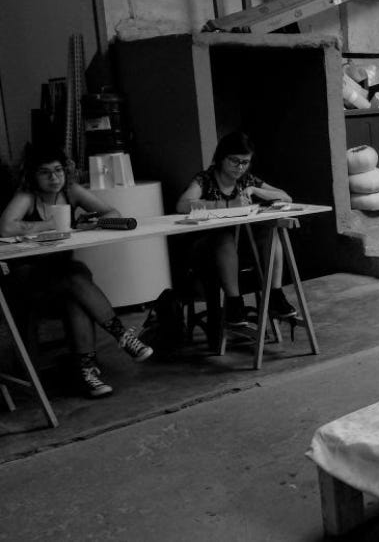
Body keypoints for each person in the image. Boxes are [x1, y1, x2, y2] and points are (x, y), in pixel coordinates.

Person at [0, 147, 153, 398]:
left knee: (75, 289)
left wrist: (93, 222)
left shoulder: (70, 191)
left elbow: (113, 213)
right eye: (45, 173)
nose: (54, 178)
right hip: (29, 281)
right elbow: (6, 228)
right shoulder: (28, 195)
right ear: (33, 176)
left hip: (62, 278)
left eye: (58, 170)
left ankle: (86, 373)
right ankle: (121, 336)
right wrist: (52, 224)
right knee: (75, 275)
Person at [176, 131, 296, 326]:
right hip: (208, 248)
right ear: (222, 157)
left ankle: (275, 295)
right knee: (223, 238)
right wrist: (228, 205)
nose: (240, 167)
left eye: (245, 162)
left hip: (241, 246)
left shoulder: (246, 180)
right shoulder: (205, 179)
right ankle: (234, 303)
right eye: (235, 161)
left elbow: (286, 197)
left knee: (271, 234)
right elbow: (183, 205)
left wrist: (255, 190)